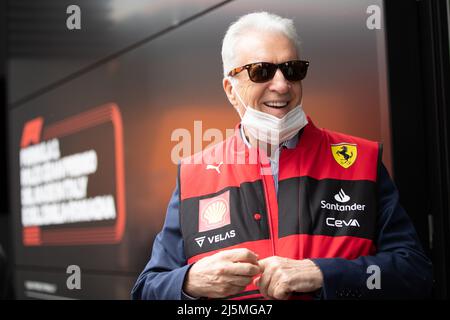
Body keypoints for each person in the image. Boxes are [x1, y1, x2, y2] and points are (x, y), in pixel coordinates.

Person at [131, 11, 432, 300]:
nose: (281, 85)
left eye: (293, 70)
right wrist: (190, 281)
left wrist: (322, 274)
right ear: (230, 89)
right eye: (261, 71)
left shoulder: (359, 161)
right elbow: (147, 288)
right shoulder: (194, 174)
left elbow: (415, 275)